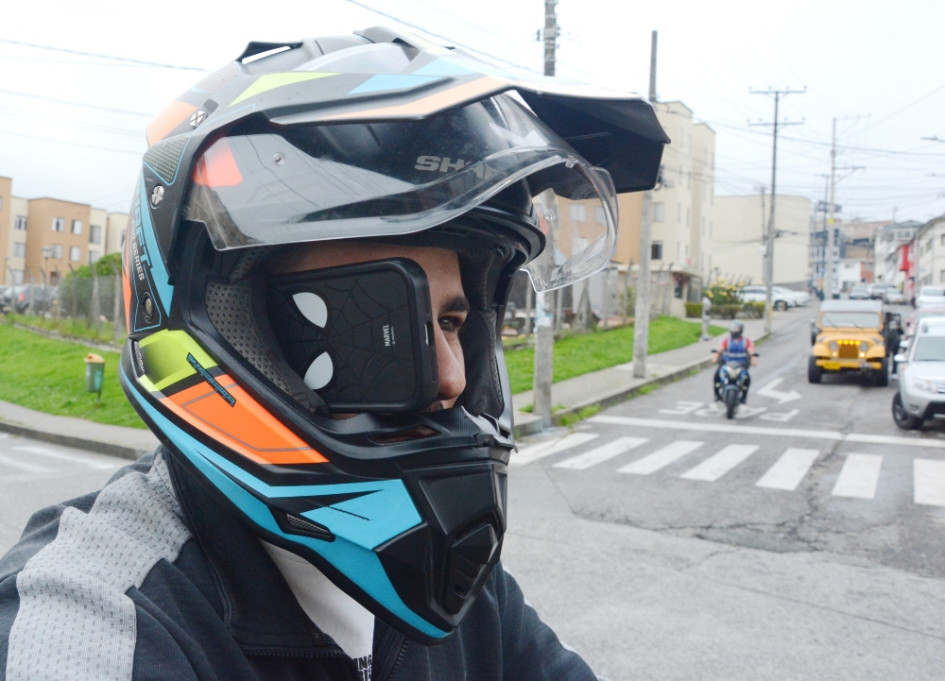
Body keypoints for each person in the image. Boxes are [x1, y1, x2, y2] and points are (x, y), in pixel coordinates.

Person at [0, 27, 667, 680]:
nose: (452, 377)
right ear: (238, 328)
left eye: (454, 321)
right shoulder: (103, 612)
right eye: (386, 323)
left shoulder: (464, 596)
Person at [713, 320, 757, 403]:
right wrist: (715, 357)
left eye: (736, 329)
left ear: (740, 330)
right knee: (717, 375)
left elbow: (751, 352)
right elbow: (720, 350)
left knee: (747, 379)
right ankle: (717, 394)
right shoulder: (726, 340)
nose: (734, 330)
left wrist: (753, 360)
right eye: (733, 328)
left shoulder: (746, 341)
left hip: (741, 365)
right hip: (726, 364)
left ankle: (744, 396)